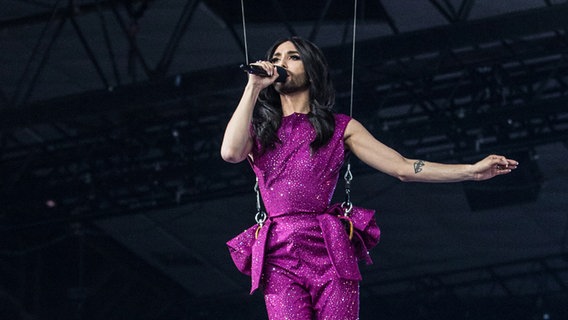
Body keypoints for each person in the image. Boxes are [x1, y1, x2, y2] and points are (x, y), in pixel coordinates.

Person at [221, 36, 518, 320]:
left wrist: (469, 170)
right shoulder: (261, 130)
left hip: (328, 248)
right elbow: (231, 152)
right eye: (276, 58)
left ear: (311, 70)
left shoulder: (340, 128)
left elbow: (402, 167)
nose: (281, 62)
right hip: (280, 253)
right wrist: (254, 86)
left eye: (293, 57)